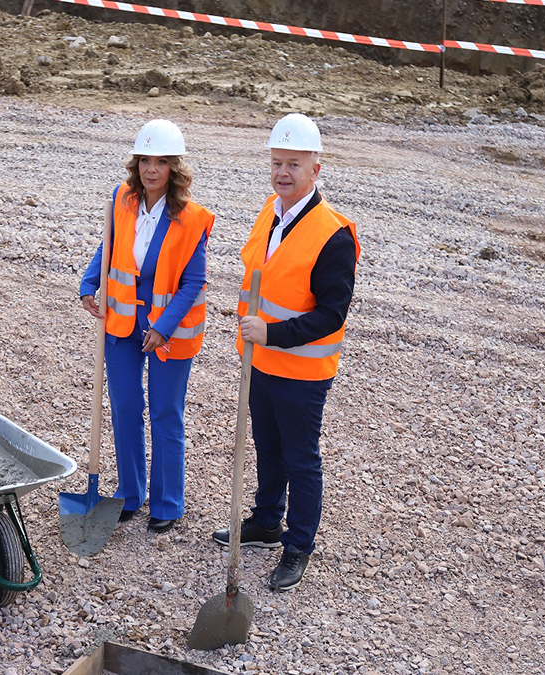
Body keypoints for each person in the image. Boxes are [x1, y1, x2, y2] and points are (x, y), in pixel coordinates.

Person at [212, 113, 360, 591]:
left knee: (301, 459)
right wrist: (259, 340)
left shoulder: (333, 234)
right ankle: (266, 522)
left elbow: (331, 314)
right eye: (277, 162)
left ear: (315, 169)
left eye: (293, 164)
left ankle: (298, 547)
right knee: (267, 449)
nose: (283, 172)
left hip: (301, 370)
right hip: (259, 362)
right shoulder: (269, 211)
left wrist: (270, 334)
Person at [79, 119, 215, 534]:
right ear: (135, 164)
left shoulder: (192, 219)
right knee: (123, 408)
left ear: (174, 168)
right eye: (144, 161)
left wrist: (164, 327)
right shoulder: (122, 199)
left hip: (167, 334)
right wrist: (90, 281)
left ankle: (168, 504)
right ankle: (131, 495)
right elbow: (110, 245)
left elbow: (194, 281)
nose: (151, 169)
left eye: (160, 162)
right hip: (120, 323)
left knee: (165, 413)